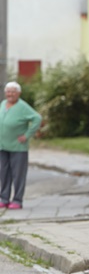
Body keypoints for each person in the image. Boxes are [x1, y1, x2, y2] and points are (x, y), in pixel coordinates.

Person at [0, 81, 42, 209]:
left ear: (19, 93)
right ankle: (4, 198)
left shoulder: (22, 106)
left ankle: (17, 200)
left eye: (13, 91)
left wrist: (27, 135)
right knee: (3, 173)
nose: (10, 94)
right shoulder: (3, 104)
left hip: (18, 147)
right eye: (8, 91)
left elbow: (37, 118)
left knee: (18, 174)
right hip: (2, 146)